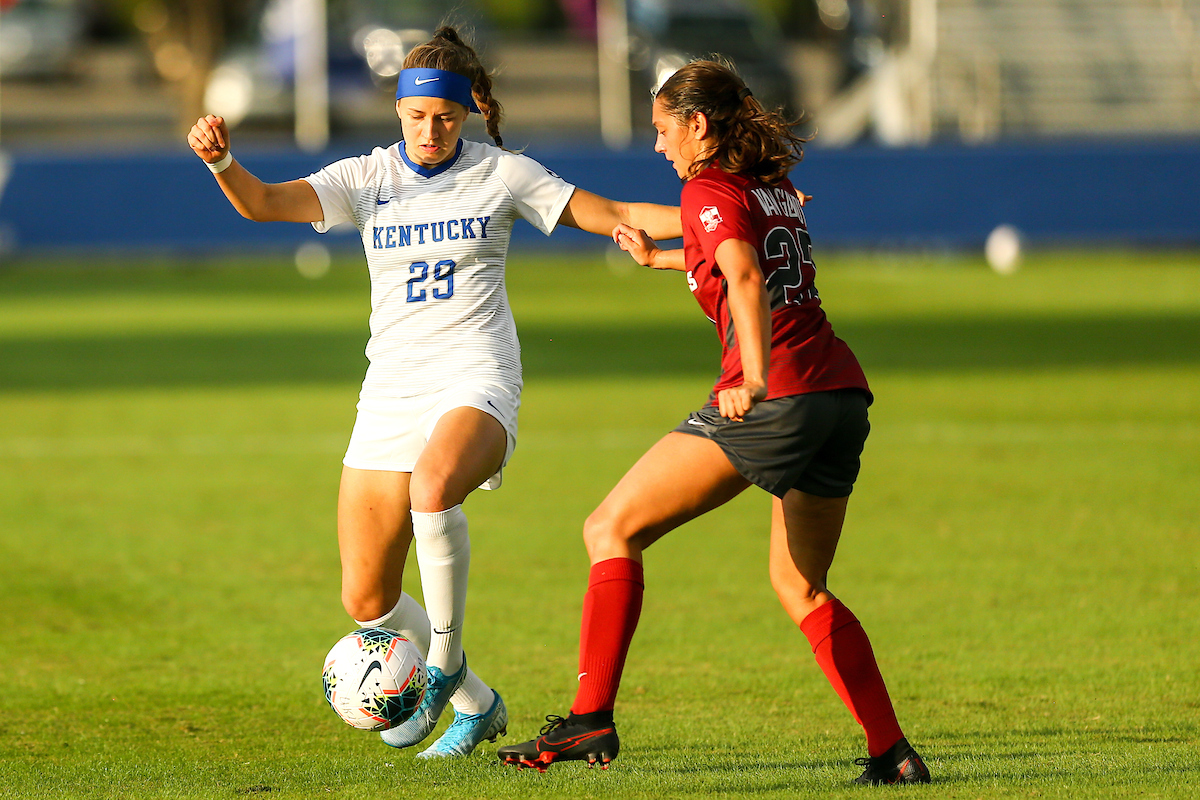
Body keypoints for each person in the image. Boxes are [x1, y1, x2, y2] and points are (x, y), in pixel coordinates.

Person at [187, 26, 685, 759]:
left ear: (469, 114)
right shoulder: (364, 179)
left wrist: (728, 217)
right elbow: (260, 203)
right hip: (389, 391)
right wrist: (222, 161)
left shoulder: (503, 174)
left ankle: (445, 664)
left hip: (476, 376)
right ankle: (477, 705)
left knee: (434, 485)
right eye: (418, 117)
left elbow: (610, 215)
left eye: (446, 118)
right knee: (367, 603)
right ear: (398, 110)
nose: (431, 130)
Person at [497, 59, 931, 785]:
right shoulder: (772, 188)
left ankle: (590, 719)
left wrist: (753, 378)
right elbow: (744, 254)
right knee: (801, 587)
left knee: (610, 528)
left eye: (665, 129)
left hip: (779, 394)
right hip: (839, 397)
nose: (659, 145)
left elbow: (746, 274)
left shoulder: (708, 186)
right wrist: (660, 259)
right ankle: (893, 753)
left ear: (699, 125)